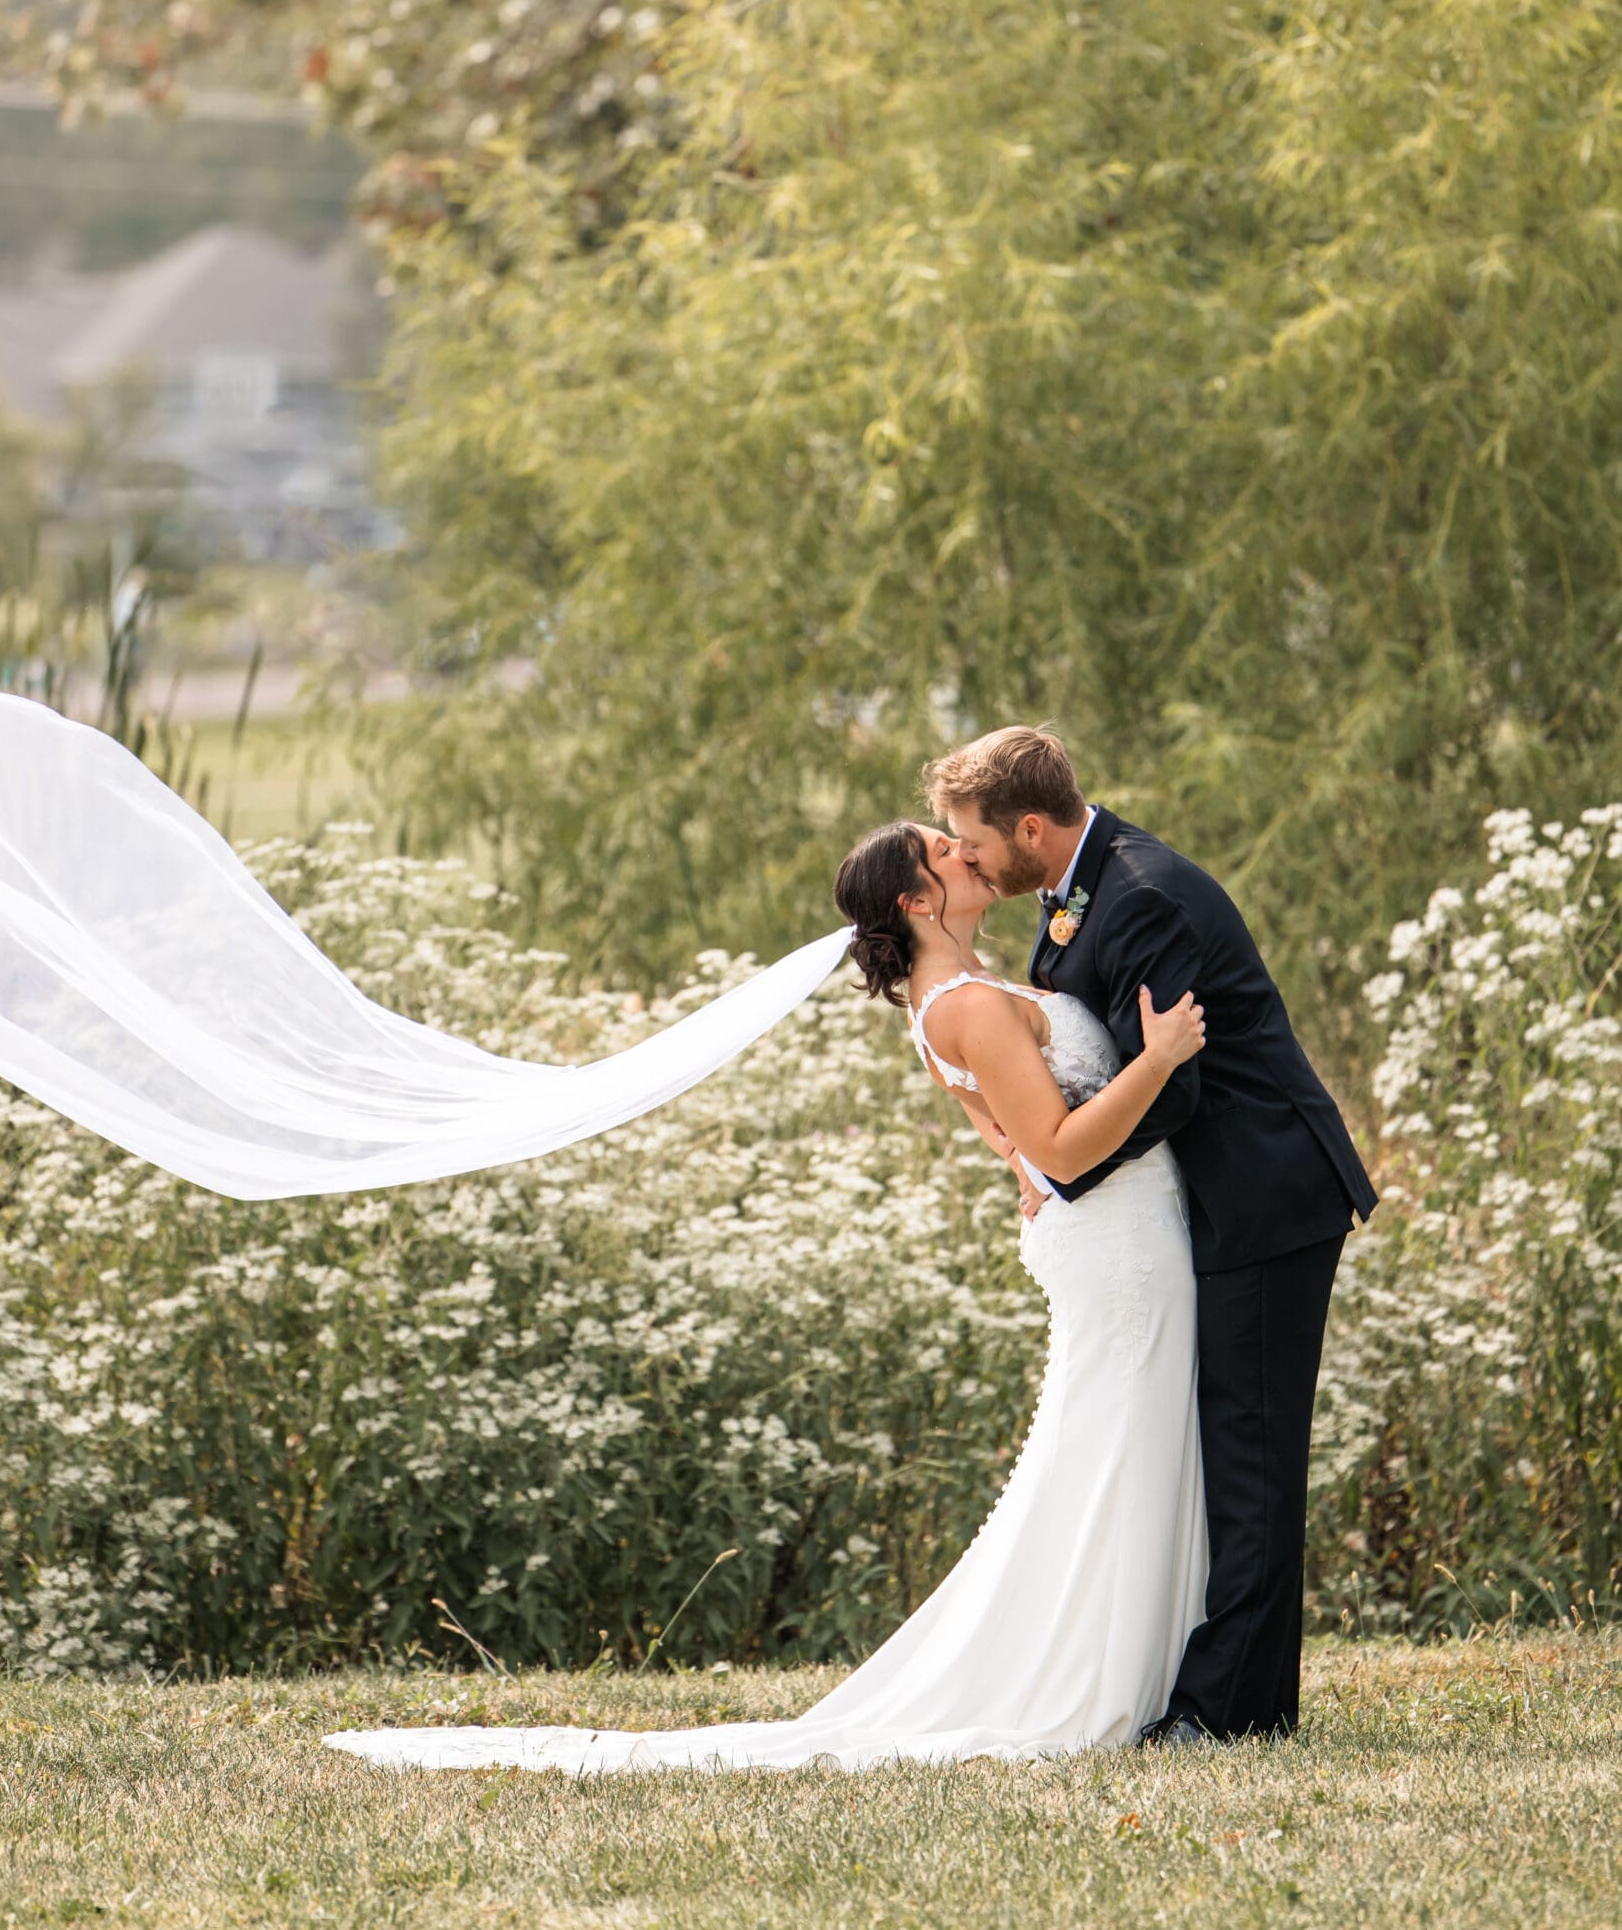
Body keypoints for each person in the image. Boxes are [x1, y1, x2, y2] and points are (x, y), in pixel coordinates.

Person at [327, 818, 1209, 1775]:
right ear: (917, 901)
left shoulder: (951, 998)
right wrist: (1156, 1061)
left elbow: (1009, 1142)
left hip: (1114, 1234)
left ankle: (1142, 1660)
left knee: (1117, 1442)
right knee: (1120, 1441)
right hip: (1117, 1245)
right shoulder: (966, 1006)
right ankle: (1109, 1673)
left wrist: (1026, 1171)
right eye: (943, 852)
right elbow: (1059, 1147)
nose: (966, 852)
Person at [926, 725, 1378, 1744]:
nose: (969, 859)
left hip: (1265, 1196)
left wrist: (1057, 1163)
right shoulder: (1082, 888)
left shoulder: (1145, 898)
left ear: (1031, 827)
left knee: (1252, 1459)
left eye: (975, 841)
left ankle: (1226, 1715)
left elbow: (1174, 1090)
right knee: (1231, 1453)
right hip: (1204, 1204)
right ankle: (1243, 1701)